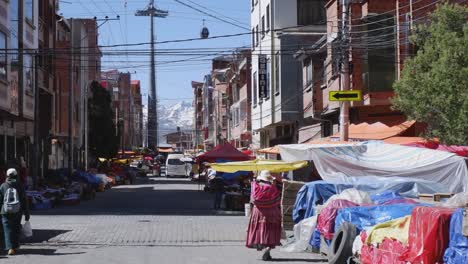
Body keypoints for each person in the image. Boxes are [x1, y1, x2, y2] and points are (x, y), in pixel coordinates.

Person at [246, 170, 283, 261]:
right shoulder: (273, 188)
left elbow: (252, 200)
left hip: (258, 212)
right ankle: (268, 249)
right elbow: (277, 201)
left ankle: (261, 243)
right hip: (272, 212)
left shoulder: (256, 187)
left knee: (260, 229)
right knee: (270, 231)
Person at [0, 168, 30, 255]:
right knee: (16, 228)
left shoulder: (3, 186)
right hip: (17, 211)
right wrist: (26, 213)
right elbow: (24, 200)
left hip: (5, 211)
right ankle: (15, 246)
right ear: (16, 175)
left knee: (7, 229)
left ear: (7, 176)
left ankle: (10, 248)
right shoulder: (20, 186)